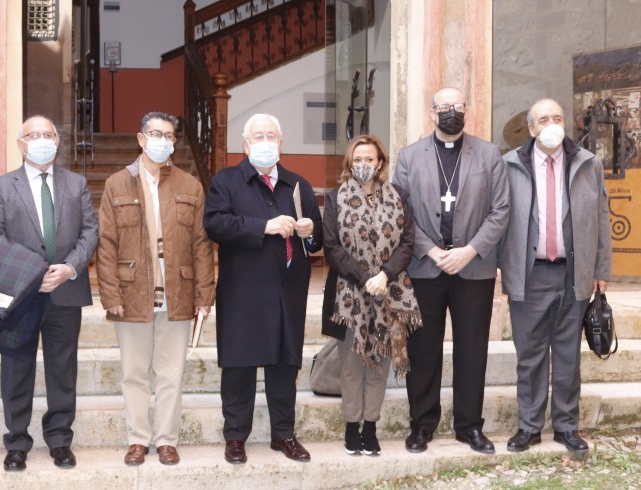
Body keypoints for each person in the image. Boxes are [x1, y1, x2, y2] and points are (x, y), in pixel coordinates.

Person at [392, 87, 510, 454]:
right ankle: (422, 425)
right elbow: (400, 211)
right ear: (431, 113)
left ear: (467, 109)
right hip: (425, 268)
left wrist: (470, 250)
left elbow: (501, 210)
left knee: (472, 350)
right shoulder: (410, 156)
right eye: (444, 107)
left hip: (473, 269)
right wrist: (430, 250)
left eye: (458, 106)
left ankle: (469, 426)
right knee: (423, 349)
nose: (451, 112)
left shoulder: (489, 154)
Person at [96, 112, 215, 466]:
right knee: (133, 373)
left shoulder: (190, 186)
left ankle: (166, 439)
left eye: (168, 135)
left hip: (177, 294)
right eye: (154, 133)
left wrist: (204, 296)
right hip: (132, 294)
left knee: (170, 374)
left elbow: (201, 246)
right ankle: (137, 439)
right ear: (141, 138)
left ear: (175, 141)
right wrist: (111, 295)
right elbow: (106, 244)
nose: (162, 140)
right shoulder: (117, 184)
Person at [204, 113, 323, 464]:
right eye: (259, 136)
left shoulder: (297, 184)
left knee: (285, 365)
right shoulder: (227, 181)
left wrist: (309, 231)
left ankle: (283, 434)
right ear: (245, 144)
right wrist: (264, 226)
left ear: (281, 143)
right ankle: (236, 437)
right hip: (244, 290)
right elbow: (216, 223)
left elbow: (318, 237)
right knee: (239, 365)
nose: (266, 141)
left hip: (288, 289)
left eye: (272, 135)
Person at [0, 115, 99, 471]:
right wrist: (33, 274)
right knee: (16, 369)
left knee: (63, 368)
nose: (43, 140)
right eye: (34, 135)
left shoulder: (76, 184)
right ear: (21, 144)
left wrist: (69, 268)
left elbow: (90, 233)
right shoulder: (1, 188)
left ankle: (60, 440)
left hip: (65, 289)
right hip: (21, 294)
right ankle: (16, 443)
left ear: (57, 142)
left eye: (49, 134)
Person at [498, 98, 612, 455]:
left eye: (558, 117)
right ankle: (529, 427)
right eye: (544, 118)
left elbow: (602, 220)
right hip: (529, 274)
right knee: (529, 355)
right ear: (530, 128)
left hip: (573, 273)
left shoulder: (587, 163)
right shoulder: (509, 164)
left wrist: (602, 270)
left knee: (567, 355)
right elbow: (498, 219)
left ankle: (566, 426)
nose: (552, 123)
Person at [322, 135, 422, 456]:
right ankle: (352, 426)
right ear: (349, 163)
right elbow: (331, 246)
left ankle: (371, 427)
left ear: (380, 163)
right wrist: (367, 278)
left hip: (389, 293)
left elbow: (408, 242)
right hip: (348, 295)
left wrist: (385, 275)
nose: (363, 165)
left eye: (370, 159)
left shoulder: (399, 197)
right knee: (352, 365)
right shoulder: (335, 198)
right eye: (358, 159)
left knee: (378, 362)